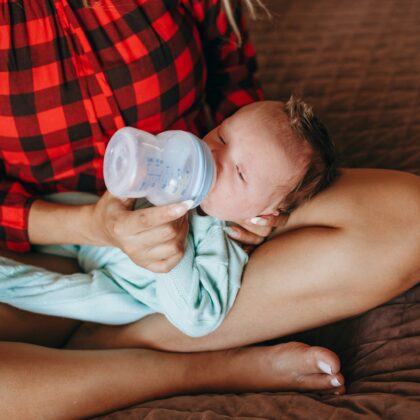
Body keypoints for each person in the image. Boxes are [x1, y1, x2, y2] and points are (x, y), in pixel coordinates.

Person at [0, 1, 418, 418]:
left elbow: (234, 87)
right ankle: (207, 365)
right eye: (218, 138)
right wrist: (91, 225)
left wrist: (250, 202)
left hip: (204, 228)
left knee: (409, 220)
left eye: (232, 163)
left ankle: (103, 346)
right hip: (47, 241)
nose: (209, 152)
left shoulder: (228, 230)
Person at [0, 98, 338, 338]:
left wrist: (175, 253)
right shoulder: (178, 178)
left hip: (121, 289)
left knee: (53, 294)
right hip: (96, 234)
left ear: (262, 215)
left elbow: (197, 319)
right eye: (222, 135)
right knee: (63, 205)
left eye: (239, 172)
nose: (213, 154)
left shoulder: (226, 246)